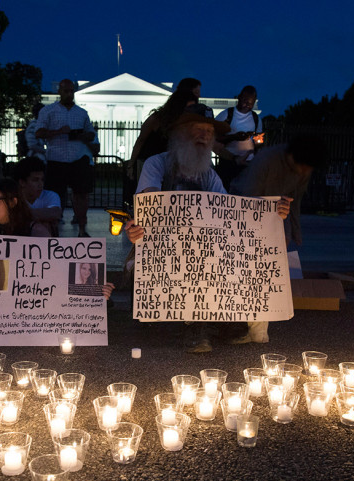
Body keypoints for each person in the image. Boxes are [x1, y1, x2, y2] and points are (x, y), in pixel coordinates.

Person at [127, 112, 291, 352]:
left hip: (202, 249)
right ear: (179, 134)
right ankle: (195, 327)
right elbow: (150, 202)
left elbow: (230, 213)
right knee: (194, 258)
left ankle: (223, 319)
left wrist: (270, 213)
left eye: (209, 131)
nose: (205, 135)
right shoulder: (157, 163)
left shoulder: (208, 174)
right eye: (197, 128)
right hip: (163, 248)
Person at [232, 135, 327, 248]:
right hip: (248, 200)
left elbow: (295, 200)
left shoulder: (304, 170)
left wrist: (295, 230)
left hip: (278, 204)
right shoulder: (266, 160)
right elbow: (249, 197)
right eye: (303, 168)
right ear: (293, 158)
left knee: (283, 237)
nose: (304, 172)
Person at [35, 79, 96, 237]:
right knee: (55, 196)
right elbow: (39, 132)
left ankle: (82, 229)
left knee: (81, 194)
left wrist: (82, 135)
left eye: (71, 91)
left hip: (78, 157)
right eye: (66, 91)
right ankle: (53, 230)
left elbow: (91, 133)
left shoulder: (82, 113)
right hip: (56, 158)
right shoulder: (48, 111)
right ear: (59, 92)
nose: (70, 94)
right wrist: (59, 132)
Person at [126, 78, 202, 186]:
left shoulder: (189, 123)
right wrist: (131, 165)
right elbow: (140, 140)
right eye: (197, 92)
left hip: (172, 168)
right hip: (149, 164)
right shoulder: (157, 119)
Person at [214, 85, 264, 190]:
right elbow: (214, 137)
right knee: (225, 189)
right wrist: (234, 137)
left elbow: (259, 140)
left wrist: (258, 141)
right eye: (245, 101)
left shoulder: (256, 119)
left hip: (247, 163)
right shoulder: (226, 114)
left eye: (251, 103)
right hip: (228, 161)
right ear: (239, 97)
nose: (247, 105)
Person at [15, 157, 61, 236]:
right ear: (22, 182)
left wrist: (20, 215)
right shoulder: (14, 196)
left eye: (42, 180)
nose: (40, 184)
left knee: (44, 225)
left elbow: (55, 213)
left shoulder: (50, 195)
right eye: (35, 180)